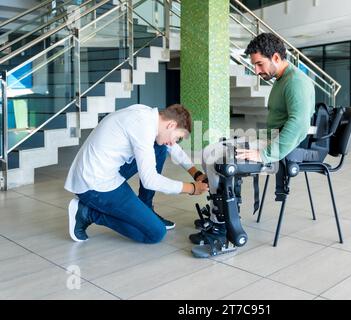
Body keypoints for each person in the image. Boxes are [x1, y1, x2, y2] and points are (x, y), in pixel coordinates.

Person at [189, 33, 316, 245]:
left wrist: (264, 154)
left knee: (218, 158)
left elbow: (299, 125)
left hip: (278, 148)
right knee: (209, 151)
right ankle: (222, 212)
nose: (256, 71)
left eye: (259, 64)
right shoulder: (282, 79)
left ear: (276, 57)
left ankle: (221, 222)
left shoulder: (296, 82)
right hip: (269, 138)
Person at [64, 103, 209, 244]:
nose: (173, 142)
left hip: (101, 169)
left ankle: (146, 207)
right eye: (177, 137)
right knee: (155, 233)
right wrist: (192, 188)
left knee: (160, 148)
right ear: (171, 125)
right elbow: (150, 180)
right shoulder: (143, 128)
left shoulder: (148, 115)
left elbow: (173, 148)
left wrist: (195, 173)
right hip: (93, 184)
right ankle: (87, 213)